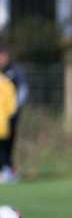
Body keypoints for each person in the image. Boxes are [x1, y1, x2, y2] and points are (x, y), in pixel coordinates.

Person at [0, 43, 29, 183]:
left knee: (7, 143)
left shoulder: (16, 71)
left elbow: (23, 90)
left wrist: (15, 109)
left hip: (9, 115)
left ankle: (8, 169)